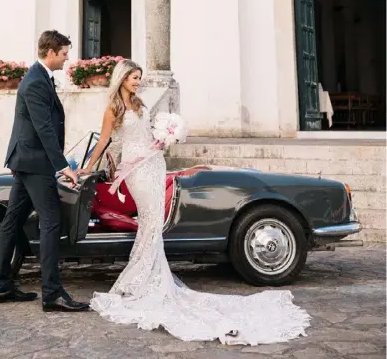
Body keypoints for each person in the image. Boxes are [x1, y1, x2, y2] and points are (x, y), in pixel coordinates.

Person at [79, 59, 311, 344]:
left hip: (153, 164)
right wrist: (88, 168)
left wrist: (165, 138)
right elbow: (104, 141)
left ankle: (148, 278)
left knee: (154, 222)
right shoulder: (113, 109)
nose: (138, 82)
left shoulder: (140, 104)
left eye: (139, 77)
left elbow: (147, 133)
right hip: (135, 170)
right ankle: (142, 279)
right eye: (133, 77)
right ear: (122, 78)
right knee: (149, 220)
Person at [0, 30, 90, 313]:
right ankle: (52, 293)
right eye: (64, 53)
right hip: (34, 162)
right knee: (51, 221)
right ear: (50, 52)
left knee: (12, 222)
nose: (67, 58)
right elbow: (43, 127)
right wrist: (63, 166)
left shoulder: (39, 77)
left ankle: (1, 287)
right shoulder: (35, 82)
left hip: (25, 160)